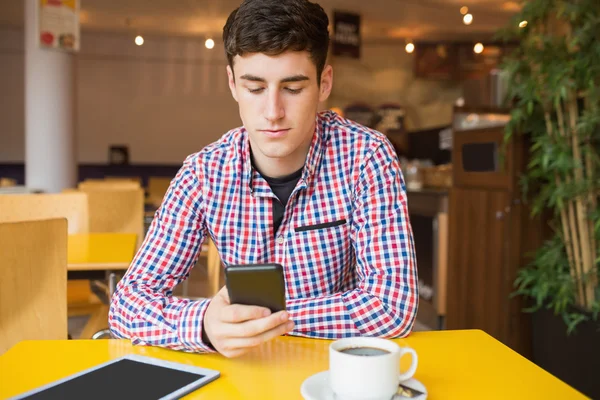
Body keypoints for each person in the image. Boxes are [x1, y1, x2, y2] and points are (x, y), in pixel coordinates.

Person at [109, 0, 418, 358]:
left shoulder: (365, 157)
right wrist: (204, 323)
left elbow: (392, 306)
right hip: (248, 376)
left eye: (293, 88)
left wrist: (258, 323)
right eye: (255, 88)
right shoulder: (204, 173)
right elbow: (127, 304)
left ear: (324, 83)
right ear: (233, 84)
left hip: (337, 373)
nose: (273, 112)